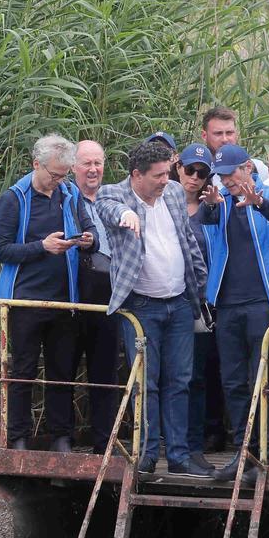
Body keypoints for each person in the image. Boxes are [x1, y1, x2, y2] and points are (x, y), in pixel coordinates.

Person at [94, 139, 212, 478]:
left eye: (167, 173)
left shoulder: (173, 193)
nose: (165, 181)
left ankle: (178, 455)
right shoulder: (113, 194)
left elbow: (186, 238)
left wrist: (199, 285)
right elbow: (110, 209)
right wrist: (128, 214)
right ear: (136, 175)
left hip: (178, 302)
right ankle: (145, 455)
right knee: (146, 382)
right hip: (141, 307)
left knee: (180, 381)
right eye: (158, 175)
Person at [0, 134, 98, 452]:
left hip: (66, 298)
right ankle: (18, 438)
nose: (59, 180)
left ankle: (61, 437)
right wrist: (43, 247)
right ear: (36, 164)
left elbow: (89, 227)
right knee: (23, 369)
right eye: (54, 174)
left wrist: (87, 240)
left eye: (64, 174)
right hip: (25, 299)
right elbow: (1, 249)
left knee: (61, 370)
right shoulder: (14, 198)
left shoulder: (69, 193)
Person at [199, 145, 269, 484]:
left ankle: (268, 453)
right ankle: (243, 454)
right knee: (234, 382)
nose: (227, 181)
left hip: (264, 303)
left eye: (232, 174)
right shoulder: (219, 200)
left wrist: (259, 203)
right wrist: (210, 206)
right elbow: (202, 224)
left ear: (247, 169)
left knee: (263, 380)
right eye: (222, 175)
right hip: (226, 305)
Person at [178, 142, 227, 469]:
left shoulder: (213, 209)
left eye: (201, 172)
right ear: (177, 168)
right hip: (166, 299)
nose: (194, 178)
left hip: (201, 305)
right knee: (166, 378)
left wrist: (216, 206)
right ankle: (167, 443)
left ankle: (194, 445)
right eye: (189, 169)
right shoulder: (162, 201)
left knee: (195, 377)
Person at [71, 140, 121, 453]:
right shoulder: (64, 199)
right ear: (73, 166)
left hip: (109, 291)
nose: (93, 170)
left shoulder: (112, 198)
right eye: (86, 163)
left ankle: (105, 440)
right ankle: (63, 438)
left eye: (98, 163)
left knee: (105, 370)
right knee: (65, 367)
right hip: (73, 291)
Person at [200, 106, 269, 183]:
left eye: (229, 133)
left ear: (236, 133)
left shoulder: (257, 168)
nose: (225, 139)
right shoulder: (196, 173)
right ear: (204, 136)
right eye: (218, 133)